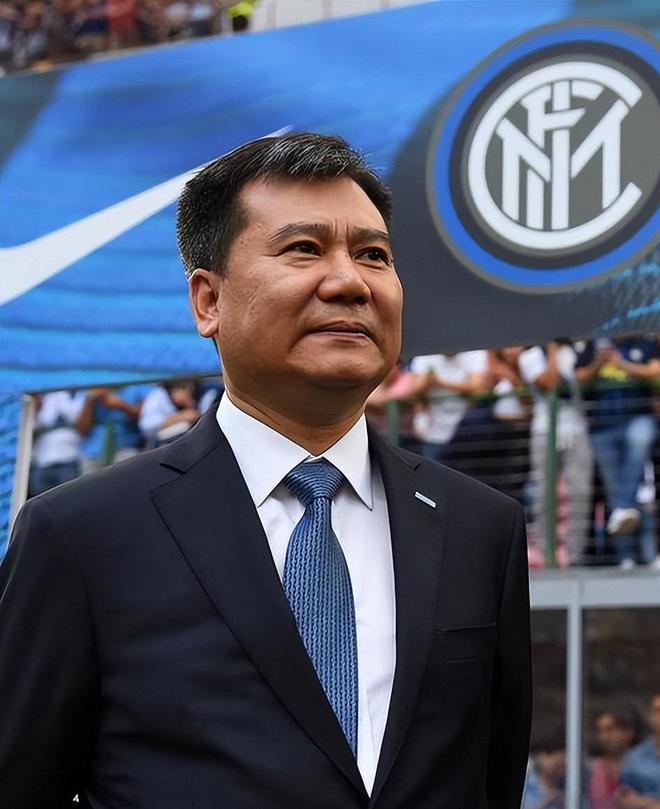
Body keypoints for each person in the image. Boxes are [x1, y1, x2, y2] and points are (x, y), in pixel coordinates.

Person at [0, 132, 531, 808]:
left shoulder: (481, 527)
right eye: (304, 248)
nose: (349, 281)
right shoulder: (83, 534)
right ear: (208, 301)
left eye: (373, 255)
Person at [575, 336, 660, 569]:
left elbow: (656, 371)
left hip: (637, 419)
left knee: (636, 490)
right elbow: (577, 378)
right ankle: (627, 557)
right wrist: (598, 363)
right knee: (618, 492)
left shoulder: (644, 343)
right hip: (602, 428)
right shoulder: (594, 345)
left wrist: (622, 364)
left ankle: (648, 553)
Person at [518, 340, 593, 566]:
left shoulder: (574, 350)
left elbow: (584, 381)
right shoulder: (530, 355)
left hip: (577, 429)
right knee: (545, 493)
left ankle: (574, 554)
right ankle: (546, 554)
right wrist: (551, 351)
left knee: (580, 492)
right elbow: (549, 382)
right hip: (544, 430)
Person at [588, 707, 642, 809]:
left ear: (629, 732)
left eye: (610, 730)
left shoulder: (644, 765)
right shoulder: (591, 768)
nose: (604, 737)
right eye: (600, 731)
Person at [619, 693, 660, 809]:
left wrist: (644, 802)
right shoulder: (634, 757)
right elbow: (626, 800)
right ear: (650, 716)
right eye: (658, 711)